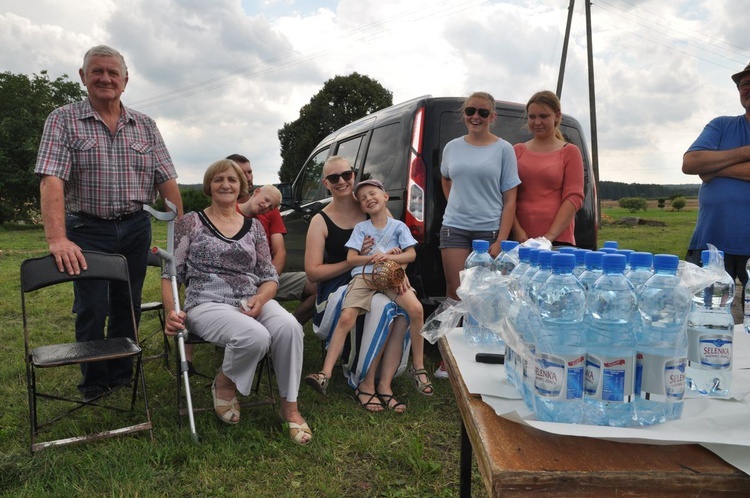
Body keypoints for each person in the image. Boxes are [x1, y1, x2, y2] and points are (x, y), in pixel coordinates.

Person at [34, 45, 183, 401]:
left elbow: (167, 180)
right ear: (83, 77)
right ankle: (94, 380)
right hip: (87, 228)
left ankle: (121, 371)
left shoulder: (145, 125)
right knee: (91, 306)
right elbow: (51, 180)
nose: (105, 78)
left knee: (127, 302)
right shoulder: (62, 119)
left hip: (135, 227)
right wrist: (57, 239)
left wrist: (186, 232)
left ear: (125, 81)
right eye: (97, 71)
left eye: (113, 73)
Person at [162, 159, 311, 445]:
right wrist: (172, 311)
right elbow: (170, 275)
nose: (226, 184)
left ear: (242, 186)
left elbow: (268, 275)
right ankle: (224, 383)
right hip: (207, 301)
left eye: (232, 179)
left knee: (290, 327)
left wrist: (262, 296)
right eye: (219, 179)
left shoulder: (255, 228)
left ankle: (290, 409)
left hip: (251, 297)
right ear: (209, 185)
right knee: (254, 336)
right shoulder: (190, 222)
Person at [303, 156, 422, 411]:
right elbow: (312, 273)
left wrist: (399, 272)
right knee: (381, 306)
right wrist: (356, 261)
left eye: (346, 174)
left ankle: (384, 381)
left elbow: (397, 249)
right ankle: (363, 382)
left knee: (402, 307)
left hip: (378, 278)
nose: (342, 181)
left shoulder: (371, 206)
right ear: (326, 183)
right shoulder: (320, 220)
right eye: (334, 178)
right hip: (337, 286)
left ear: (353, 174)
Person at [436, 91, 520, 379]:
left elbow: (510, 199)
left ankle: (481, 356)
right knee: (455, 292)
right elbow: (446, 178)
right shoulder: (452, 148)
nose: (476, 116)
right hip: (455, 228)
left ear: (492, 117)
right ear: (464, 114)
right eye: (471, 111)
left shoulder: (503, 149)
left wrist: (500, 240)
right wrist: (456, 205)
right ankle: (448, 359)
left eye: (483, 112)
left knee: (486, 297)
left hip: (489, 230)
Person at [682, 61, 750, 298]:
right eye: (745, 84)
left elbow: (704, 166)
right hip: (711, 245)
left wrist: (717, 168)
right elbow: (690, 163)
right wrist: (745, 152)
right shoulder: (721, 125)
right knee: (705, 322)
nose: (749, 88)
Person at [229, 153, 317, 325]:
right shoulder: (225, 211)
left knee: (321, 286)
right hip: (238, 283)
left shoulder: (269, 207)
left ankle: (290, 326)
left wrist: (269, 284)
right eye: (242, 173)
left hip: (269, 277)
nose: (247, 178)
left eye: (250, 172)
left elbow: (280, 252)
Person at [512, 90, 584, 246]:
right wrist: (518, 232)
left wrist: (548, 238)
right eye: (532, 117)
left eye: (543, 116)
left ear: (557, 116)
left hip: (557, 241)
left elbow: (574, 197)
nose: (537, 122)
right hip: (520, 241)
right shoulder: (516, 151)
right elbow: (507, 196)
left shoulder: (570, 152)